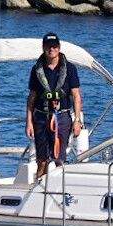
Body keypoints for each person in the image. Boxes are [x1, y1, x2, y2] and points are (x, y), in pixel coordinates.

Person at [25, 33, 83, 179]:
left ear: (59, 48)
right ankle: (39, 186)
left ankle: (59, 188)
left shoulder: (70, 68)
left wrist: (77, 120)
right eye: (48, 46)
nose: (51, 49)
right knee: (42, 160)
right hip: (41, 117)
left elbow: (76, 95)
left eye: (54, 46)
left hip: (62, 117)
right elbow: (31, 98)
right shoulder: (36, 69)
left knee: (59, 158)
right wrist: (29, 122)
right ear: (43, 47)